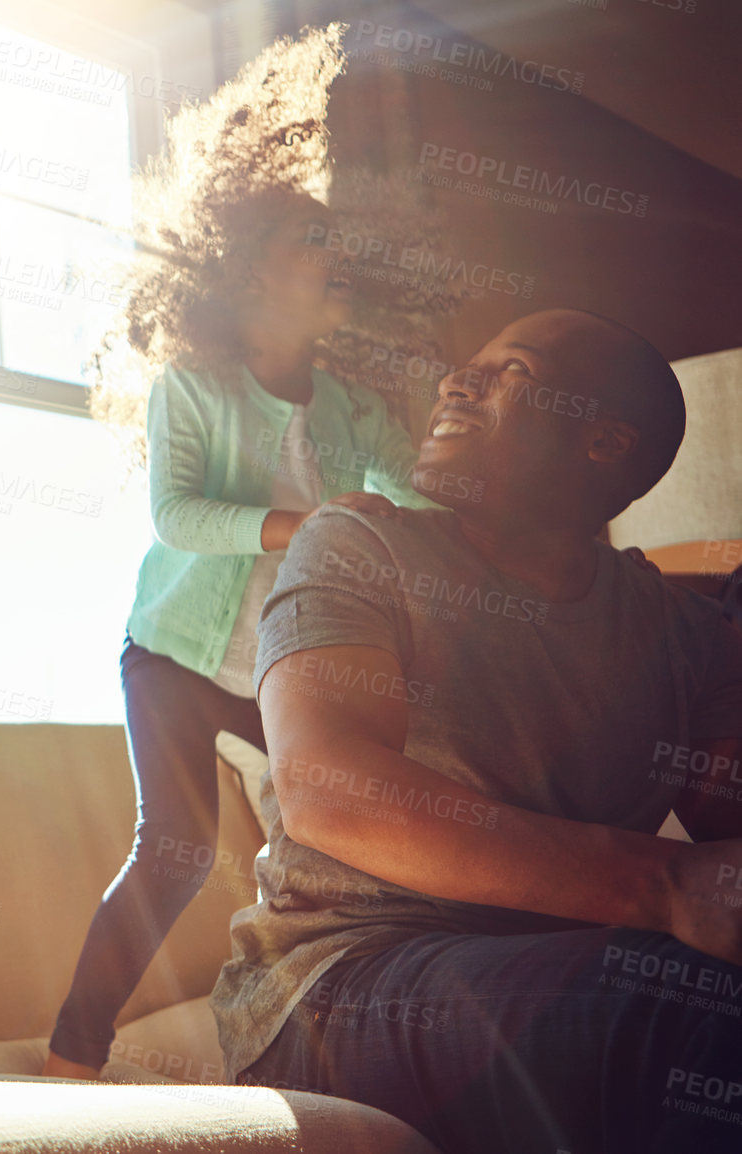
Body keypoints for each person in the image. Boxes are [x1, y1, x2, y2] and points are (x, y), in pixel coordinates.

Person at [212, 307, 742, 1152]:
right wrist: (665, 885)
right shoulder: (357, 544)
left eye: (514, 372)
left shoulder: (687, 635)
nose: (456, 381)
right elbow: (330, 794)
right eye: (470, 366)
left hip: (562, 970)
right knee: (685, 1013)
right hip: (337, 983)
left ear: (604, 442)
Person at [41, 181, 444, 1078]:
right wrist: (306, 526)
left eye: (337, 239)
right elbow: (177, 514)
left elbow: (421, 502)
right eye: (312, 239)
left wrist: (449, 463)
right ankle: (71, 1057)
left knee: (335, 847)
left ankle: (307, 1037)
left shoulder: (353, 412)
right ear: (251, 270)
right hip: (172, 657)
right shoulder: (192, 387)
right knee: (176, 854)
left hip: (278, 674)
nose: (336, 255)